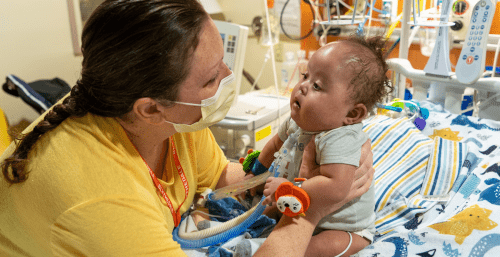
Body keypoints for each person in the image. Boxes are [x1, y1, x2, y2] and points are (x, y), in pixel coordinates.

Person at [0, 1, 374, 256]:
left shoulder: (174, 122)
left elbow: (225, 177)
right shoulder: (99, 199)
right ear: (150, 109)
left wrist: (284, 176)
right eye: (212, 79)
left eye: (222, 63)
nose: (229, 76)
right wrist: (310, 209)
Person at [248, 36, 391, 257]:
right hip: (299, 206)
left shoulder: (340, 137)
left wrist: (288, 189)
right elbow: (274, 144)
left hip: (340, 227)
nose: (303, 87)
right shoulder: (298, 120)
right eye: (305, 76)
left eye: (317, 85)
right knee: (263, 213)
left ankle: (255, 247)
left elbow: (336, 187)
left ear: (352, 114)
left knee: (315, 248)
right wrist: (256, 171)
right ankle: (256, 235)